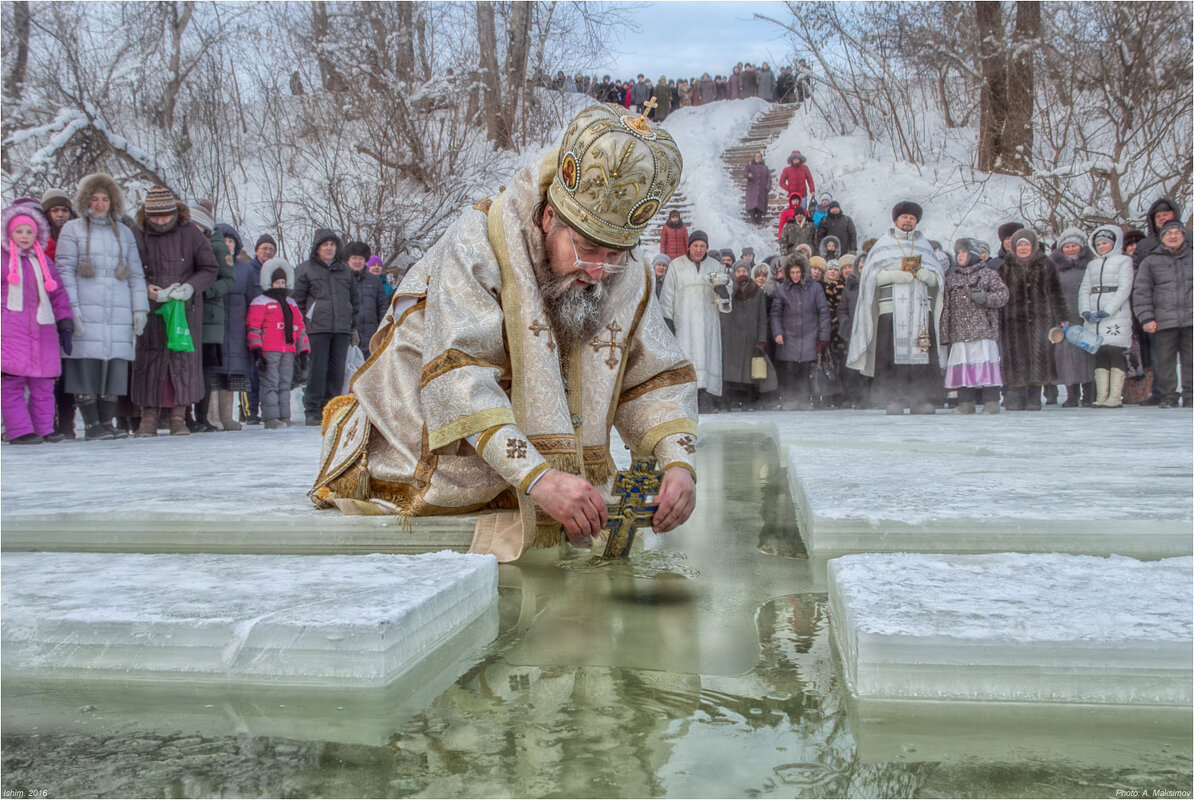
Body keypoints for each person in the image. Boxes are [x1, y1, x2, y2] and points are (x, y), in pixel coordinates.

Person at [310, 103, 696, 561]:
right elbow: (459, 376)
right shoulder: (478, 243)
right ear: (549, 217)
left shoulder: (624, 272)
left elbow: (652, 377)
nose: (599, 271)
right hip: (434, 441)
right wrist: (539, 478)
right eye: (588, 249)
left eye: (615, 255)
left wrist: (678, 461)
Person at [55, 173, 148, 440]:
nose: (99, 204)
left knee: (113, 367)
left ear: (112, 201)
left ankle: (106, 422)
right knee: (86, 366)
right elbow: (65, 271)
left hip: (116, 310)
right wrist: (72, 308)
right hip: (86, 306)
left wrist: (138, 308)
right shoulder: (72, 230)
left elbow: (135, 274)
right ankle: (92, 425)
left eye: (104, 199)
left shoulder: (125, 232)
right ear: (86, 200)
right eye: (94, 199)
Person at [129, 186, 219, 437]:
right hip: (151, 307)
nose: (159, 222)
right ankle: (149, 417)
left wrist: (190, 287)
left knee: (182, 360)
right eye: (154, 217)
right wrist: (144, 287)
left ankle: (179, 416)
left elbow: (209, 268)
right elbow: (127, 266)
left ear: (174, 213)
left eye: (164, 217)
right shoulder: (137, 233)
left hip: (184, 307)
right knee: (149, 359)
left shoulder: (190, 232)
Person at [846, 201, 946, 415]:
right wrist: (892, 276)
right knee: (890, 355)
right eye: (904, 217)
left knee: (923, 354)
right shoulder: (883, 245)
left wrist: (929, 276)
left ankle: (922, 400)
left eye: (912, 217)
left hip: (920, 310)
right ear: (896, 220)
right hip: (890, 311)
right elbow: (869, 277)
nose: (908, 220)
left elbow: (938, 276)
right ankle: (893, 399)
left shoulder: (924, 245)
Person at [2, 203, 74, 444]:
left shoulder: (42, 260)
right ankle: (20, 431)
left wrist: (65, 320)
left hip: (43, 329)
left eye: (29, 232)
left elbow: (58, 293)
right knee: (11, 384)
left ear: (37, 234)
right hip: (10, 331)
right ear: (9, 233)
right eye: (19, 232)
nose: (24, 237)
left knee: (43, 383)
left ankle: (44, 427)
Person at [294, 228, 360, 426]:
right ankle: (312, 409)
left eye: (332, 244)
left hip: (341, 328)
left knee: (337, 371)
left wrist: (353, 327)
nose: (329, 248)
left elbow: (355, 301)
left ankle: (331, 408)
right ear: (317, 248)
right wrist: (303, 326)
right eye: (325, 244)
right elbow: (297, 302)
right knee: (318, 369)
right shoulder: (306, 269)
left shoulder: (345, 270)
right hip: (317, 328)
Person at [661, 230, 730, 414]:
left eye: (702, 246)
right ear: (689, 246)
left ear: (707, 247)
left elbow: (726, 294)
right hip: (684, 323)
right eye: (695, 245)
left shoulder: (715, 265)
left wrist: (723, 292)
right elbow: (668, 294)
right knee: (686, 359)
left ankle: (707, 399)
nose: (699, 249)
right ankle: (685, 400)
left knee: (708, 358)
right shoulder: (676, 266)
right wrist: (668, 319)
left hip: (708, 322)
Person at [998, 229, 1068, 411]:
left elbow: (1056, 293)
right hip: (1013, 321)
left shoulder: (1046, 265)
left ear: (1033, 246)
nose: (1022, 248)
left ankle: (1034, 397)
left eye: (1026, 244)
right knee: (1015, 357)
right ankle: (1016, 396)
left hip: (1041, 320)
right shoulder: (1004, 267)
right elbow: (999, 296)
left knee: (1039, 357)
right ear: (1013, 246)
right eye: (1019, 244)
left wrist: (1062, 317)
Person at [939, 238, 1009, 414]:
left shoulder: (988, 274)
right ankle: (966, 402)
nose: (960, 256)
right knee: (963, 368)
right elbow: (946, 307)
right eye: (957, 253)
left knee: (986, 366)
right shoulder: (952, 279)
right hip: (959, 332)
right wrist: (945, 333)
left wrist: (986, 298)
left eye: (963, 252)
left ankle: (991, 401)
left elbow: (1003, 295)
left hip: (983, 330)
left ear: (973, 254)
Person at [1133, 220, 1192, 408]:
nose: (1173, 236)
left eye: (1177, 233)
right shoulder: (1150, 261)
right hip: (1163, 320)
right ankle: (1169, 396)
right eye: (1168, 233)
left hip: (1191, 319)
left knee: (1191, 360)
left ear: (1184, 236)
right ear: (1162, 237)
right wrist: (1147, 317)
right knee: (1165, 362)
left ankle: (1190, 395)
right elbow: (1142, 291)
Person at [247, 257, 310, 429]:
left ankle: (284, 415)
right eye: (277, 282)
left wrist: (303, 349)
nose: (280, 285)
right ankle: (271, 417)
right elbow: (254, 327)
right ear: (269, 282)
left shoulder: (290, 303)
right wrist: (256, 349)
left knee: (285, 383)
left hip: (288, 350)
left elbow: (299, 327)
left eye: (283, 281)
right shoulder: (260, 302)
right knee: (270, 383)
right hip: (270, 350)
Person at [209, 222, 260, 430]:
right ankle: (212, 416)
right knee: (213, 373)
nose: (227, 244)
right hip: (213, 325)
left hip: (237, 328)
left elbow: (253, 300)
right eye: (223, 241)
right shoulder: (210, 266)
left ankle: (227, 416)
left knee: (233, 372)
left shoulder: (245, 270)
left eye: (230, 241)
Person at [188, 203, 234, 432]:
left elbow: (229, 279)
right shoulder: (183, 241)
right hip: (187, 312)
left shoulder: (218, 246)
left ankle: (202, 416)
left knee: (206, 369)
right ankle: (186, 416)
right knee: (186, 366)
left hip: (209, 315)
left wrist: (206, 289)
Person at [1079, 226, 1134, 408]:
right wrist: (1085, 310)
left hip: (1115, 315)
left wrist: (1108, 310)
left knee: (1115, 351)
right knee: (1100, 353)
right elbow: (1085, 289)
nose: (1102, 246)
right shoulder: (1092, 265)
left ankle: (1114, 396)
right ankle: (1102, 395)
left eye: (1105, 243)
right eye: (1099, 244)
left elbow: (1124, 288)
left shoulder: (1123, 261)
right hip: (1094, 316)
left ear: (1114, 243)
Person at [770, 256, 829, 411]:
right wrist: (777, 332)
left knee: (805, 370)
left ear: (803, 272)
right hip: (788, 335)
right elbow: (775, 314)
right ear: (788, 273)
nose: (795, 275)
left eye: (798, 272)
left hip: (809, 334)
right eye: (793, 272)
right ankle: (790, 398)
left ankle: (804, 399)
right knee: (789, 369)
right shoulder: (782, 289)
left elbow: (823, 312)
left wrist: (823, 337)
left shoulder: (815, 288)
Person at [41, 189, 77, 437]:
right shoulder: (40, 238)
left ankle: (67, 420)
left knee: (69, 368)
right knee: (50, 369)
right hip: (47, 305)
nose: (61, 215)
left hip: (72, 302)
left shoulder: (76, 233)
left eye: (64, 210)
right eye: (55, 210)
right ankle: (48, 420)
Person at [720, 260, 776, 410]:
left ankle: (747, 401)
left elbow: (762, 318)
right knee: (731, 372)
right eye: (738, 272)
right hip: (731, 337)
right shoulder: (728, 288)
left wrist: (762, 339)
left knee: (748, 373)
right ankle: (729, 401)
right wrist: (736, 284)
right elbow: (725, 303)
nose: (741, 274)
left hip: (750, 337)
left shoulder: (757, 291)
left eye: (744, 271)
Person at [1049, 227, 1095, 406]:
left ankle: (1089, 393)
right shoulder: (1054, 269)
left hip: (1086, 317)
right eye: (1066, 246)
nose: (1070, 249)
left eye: (1074, 245)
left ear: (1081, 247)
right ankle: (1072, 394)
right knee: (1067, 357)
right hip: (1064, 317)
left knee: (1088, 355)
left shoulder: (1091, 266)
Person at [346, 241, 387, 358]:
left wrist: (383, 326)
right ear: (348, 260)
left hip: (371, 330)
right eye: (354, 258)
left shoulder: (375, 281)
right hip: (349, 329)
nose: (357, 261)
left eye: (361, 258)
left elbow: (382, 305)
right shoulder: (342, 279)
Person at [744, 152, 771, 226]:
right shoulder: (749, 166)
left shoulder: (765, 168)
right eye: (757, 156)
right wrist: (748, 174)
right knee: (752, 205)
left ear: (761, 158)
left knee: (760, 206)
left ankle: (759, 221)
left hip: (762, 190)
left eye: (759, 157)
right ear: (754, 158)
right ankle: (753, 220)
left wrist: (768, 186)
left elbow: (768, 178)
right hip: (752, 189)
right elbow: (745, 173)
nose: (758, 158)